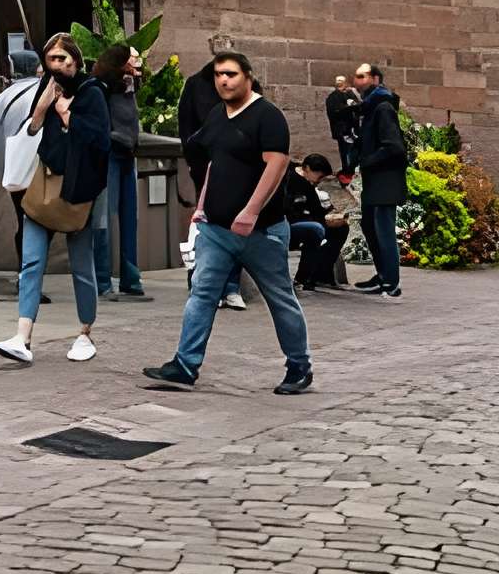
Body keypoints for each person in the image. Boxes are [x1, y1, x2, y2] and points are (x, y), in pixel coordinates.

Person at [144, 50, 312, 395]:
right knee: (202, 294)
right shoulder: (217, 117)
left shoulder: (268, 116)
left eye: (231, 74)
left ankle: (299, 366)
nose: (224, 80)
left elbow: (276, 166)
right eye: (219, 74)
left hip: (261, 231)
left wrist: (250, 212)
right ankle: (185, 364)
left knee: (279, 297)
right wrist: (201, 208)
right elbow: (212, 165)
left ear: (247, 77)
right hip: (216, 229)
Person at [0, 32, 109, 367]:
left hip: (81, 188)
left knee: (81, 264)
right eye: (51, 60)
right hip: (44, 183)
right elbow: (30, 135)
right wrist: (42, 111)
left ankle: (85, 332)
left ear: (76, 59)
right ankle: (22, 336)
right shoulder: (44, 90)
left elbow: (101, 141)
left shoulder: (92, 92)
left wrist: (68, 115)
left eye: (62, 58)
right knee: (31, 262)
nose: (57, 66)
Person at [178, 54, 250, 311]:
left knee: (235, 227)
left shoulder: (246, 89)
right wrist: (192, 158)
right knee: (205, 228)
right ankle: (203, 284)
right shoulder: (196, 85)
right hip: (206, 166)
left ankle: (231, 286)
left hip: (239, 168)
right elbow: (186, 125)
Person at [0, 49, 53, 296]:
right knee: (37, 225)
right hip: (32, 168)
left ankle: (23, 275)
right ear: (37, 68)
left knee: (23, 222)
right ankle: (29, 280)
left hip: (11, 170)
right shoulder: (38, 92)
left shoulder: (3, 96)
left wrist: (2, 169)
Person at [95, 46, 151, 302]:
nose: (136, 63)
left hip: (128, 154)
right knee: (104, 220)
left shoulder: (129, 86)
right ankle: (102, 280)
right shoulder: (103, 87)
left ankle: (131, 278)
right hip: (109, 156)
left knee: (130, 218)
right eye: (131, 59)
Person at [352, 60, 408, 298]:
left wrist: (367, 160)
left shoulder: (383, 107)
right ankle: (383, 275)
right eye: (357, 77)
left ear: (375, 79)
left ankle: (391, 282)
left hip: (385, 180)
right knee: (370, 226)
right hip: (375, 180)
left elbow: (394, 147)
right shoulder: (371, 107)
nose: (358, 81)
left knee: (383, 229)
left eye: (363, 77)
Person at [286, 153, 351, 291]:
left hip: (308, 221)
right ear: (307, 169)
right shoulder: (290, 179)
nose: (319, 181)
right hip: (289, 223)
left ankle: (321, 274)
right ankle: (303, 278)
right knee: (315, 230)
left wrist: (330, 214)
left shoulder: (308, 185)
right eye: (319, 176)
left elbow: (315, 209)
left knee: (341, 229)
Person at [325, 76, 361, 180]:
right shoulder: (333, 97)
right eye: (338, 81)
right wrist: (348, 107)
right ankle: (348, 172)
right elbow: (335, 112)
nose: (340, 83)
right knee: (346, 152)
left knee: (353, 152)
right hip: (343, 130)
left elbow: (358, 106)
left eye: (342, 81)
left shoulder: (349, 94)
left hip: (352, 129)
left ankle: (351, 171)